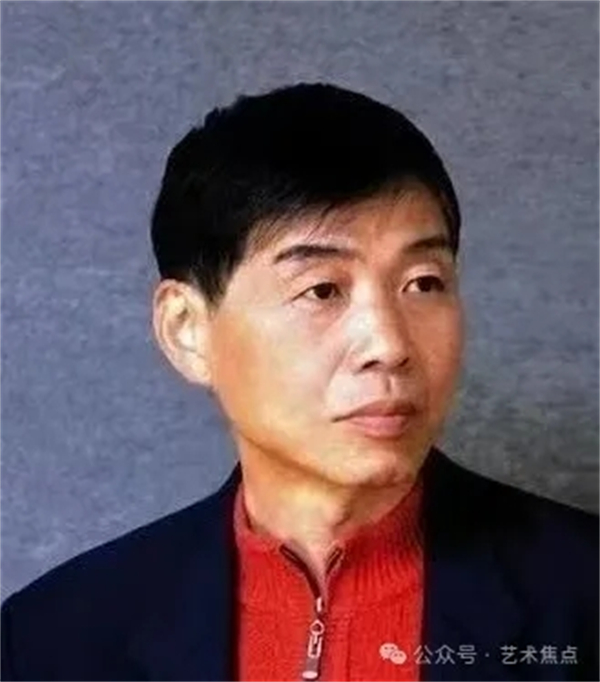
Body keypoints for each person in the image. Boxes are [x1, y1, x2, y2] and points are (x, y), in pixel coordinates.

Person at [1, 83, 597, 682]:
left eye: (423, 283)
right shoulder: (50, 641)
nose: (388, 345)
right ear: (187, 330)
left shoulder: (580, 599)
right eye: (322, 290)